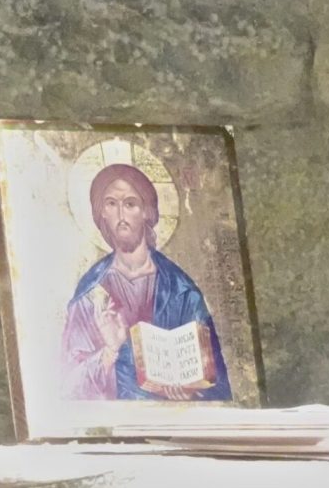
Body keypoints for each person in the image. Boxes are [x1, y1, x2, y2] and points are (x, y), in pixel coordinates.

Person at [60, 163, 232, 402]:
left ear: (146, 212)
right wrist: (109, 352)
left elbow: (218, 385)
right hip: (115, 421)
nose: (121, 216)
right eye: (111, 204)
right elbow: (67, 386)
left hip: (173, 420)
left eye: (130, 204)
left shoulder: (181, 291)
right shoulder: (90, 295)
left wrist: (192, 390)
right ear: (102, 213)